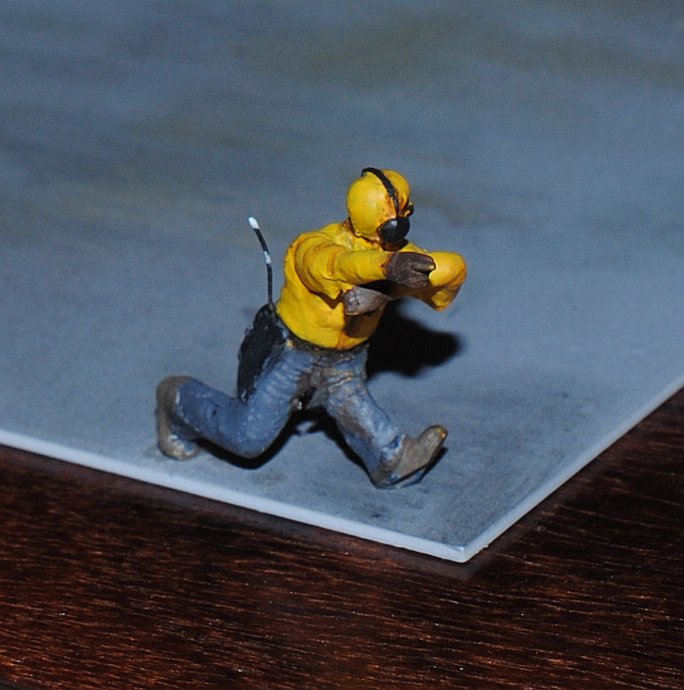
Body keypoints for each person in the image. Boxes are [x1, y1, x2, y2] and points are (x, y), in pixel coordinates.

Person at [156, 167, 467, 488]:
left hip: (347, 359)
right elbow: (336, 266)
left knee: (352, 404)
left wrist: (392, 288)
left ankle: (393, 463)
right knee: (248, 438)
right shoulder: (314, 246)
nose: (400, 226)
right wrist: (386, 268)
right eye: (395, 220)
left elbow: (453, 270)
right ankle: (178, 399)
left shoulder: (399, 255)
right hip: (292, 354)